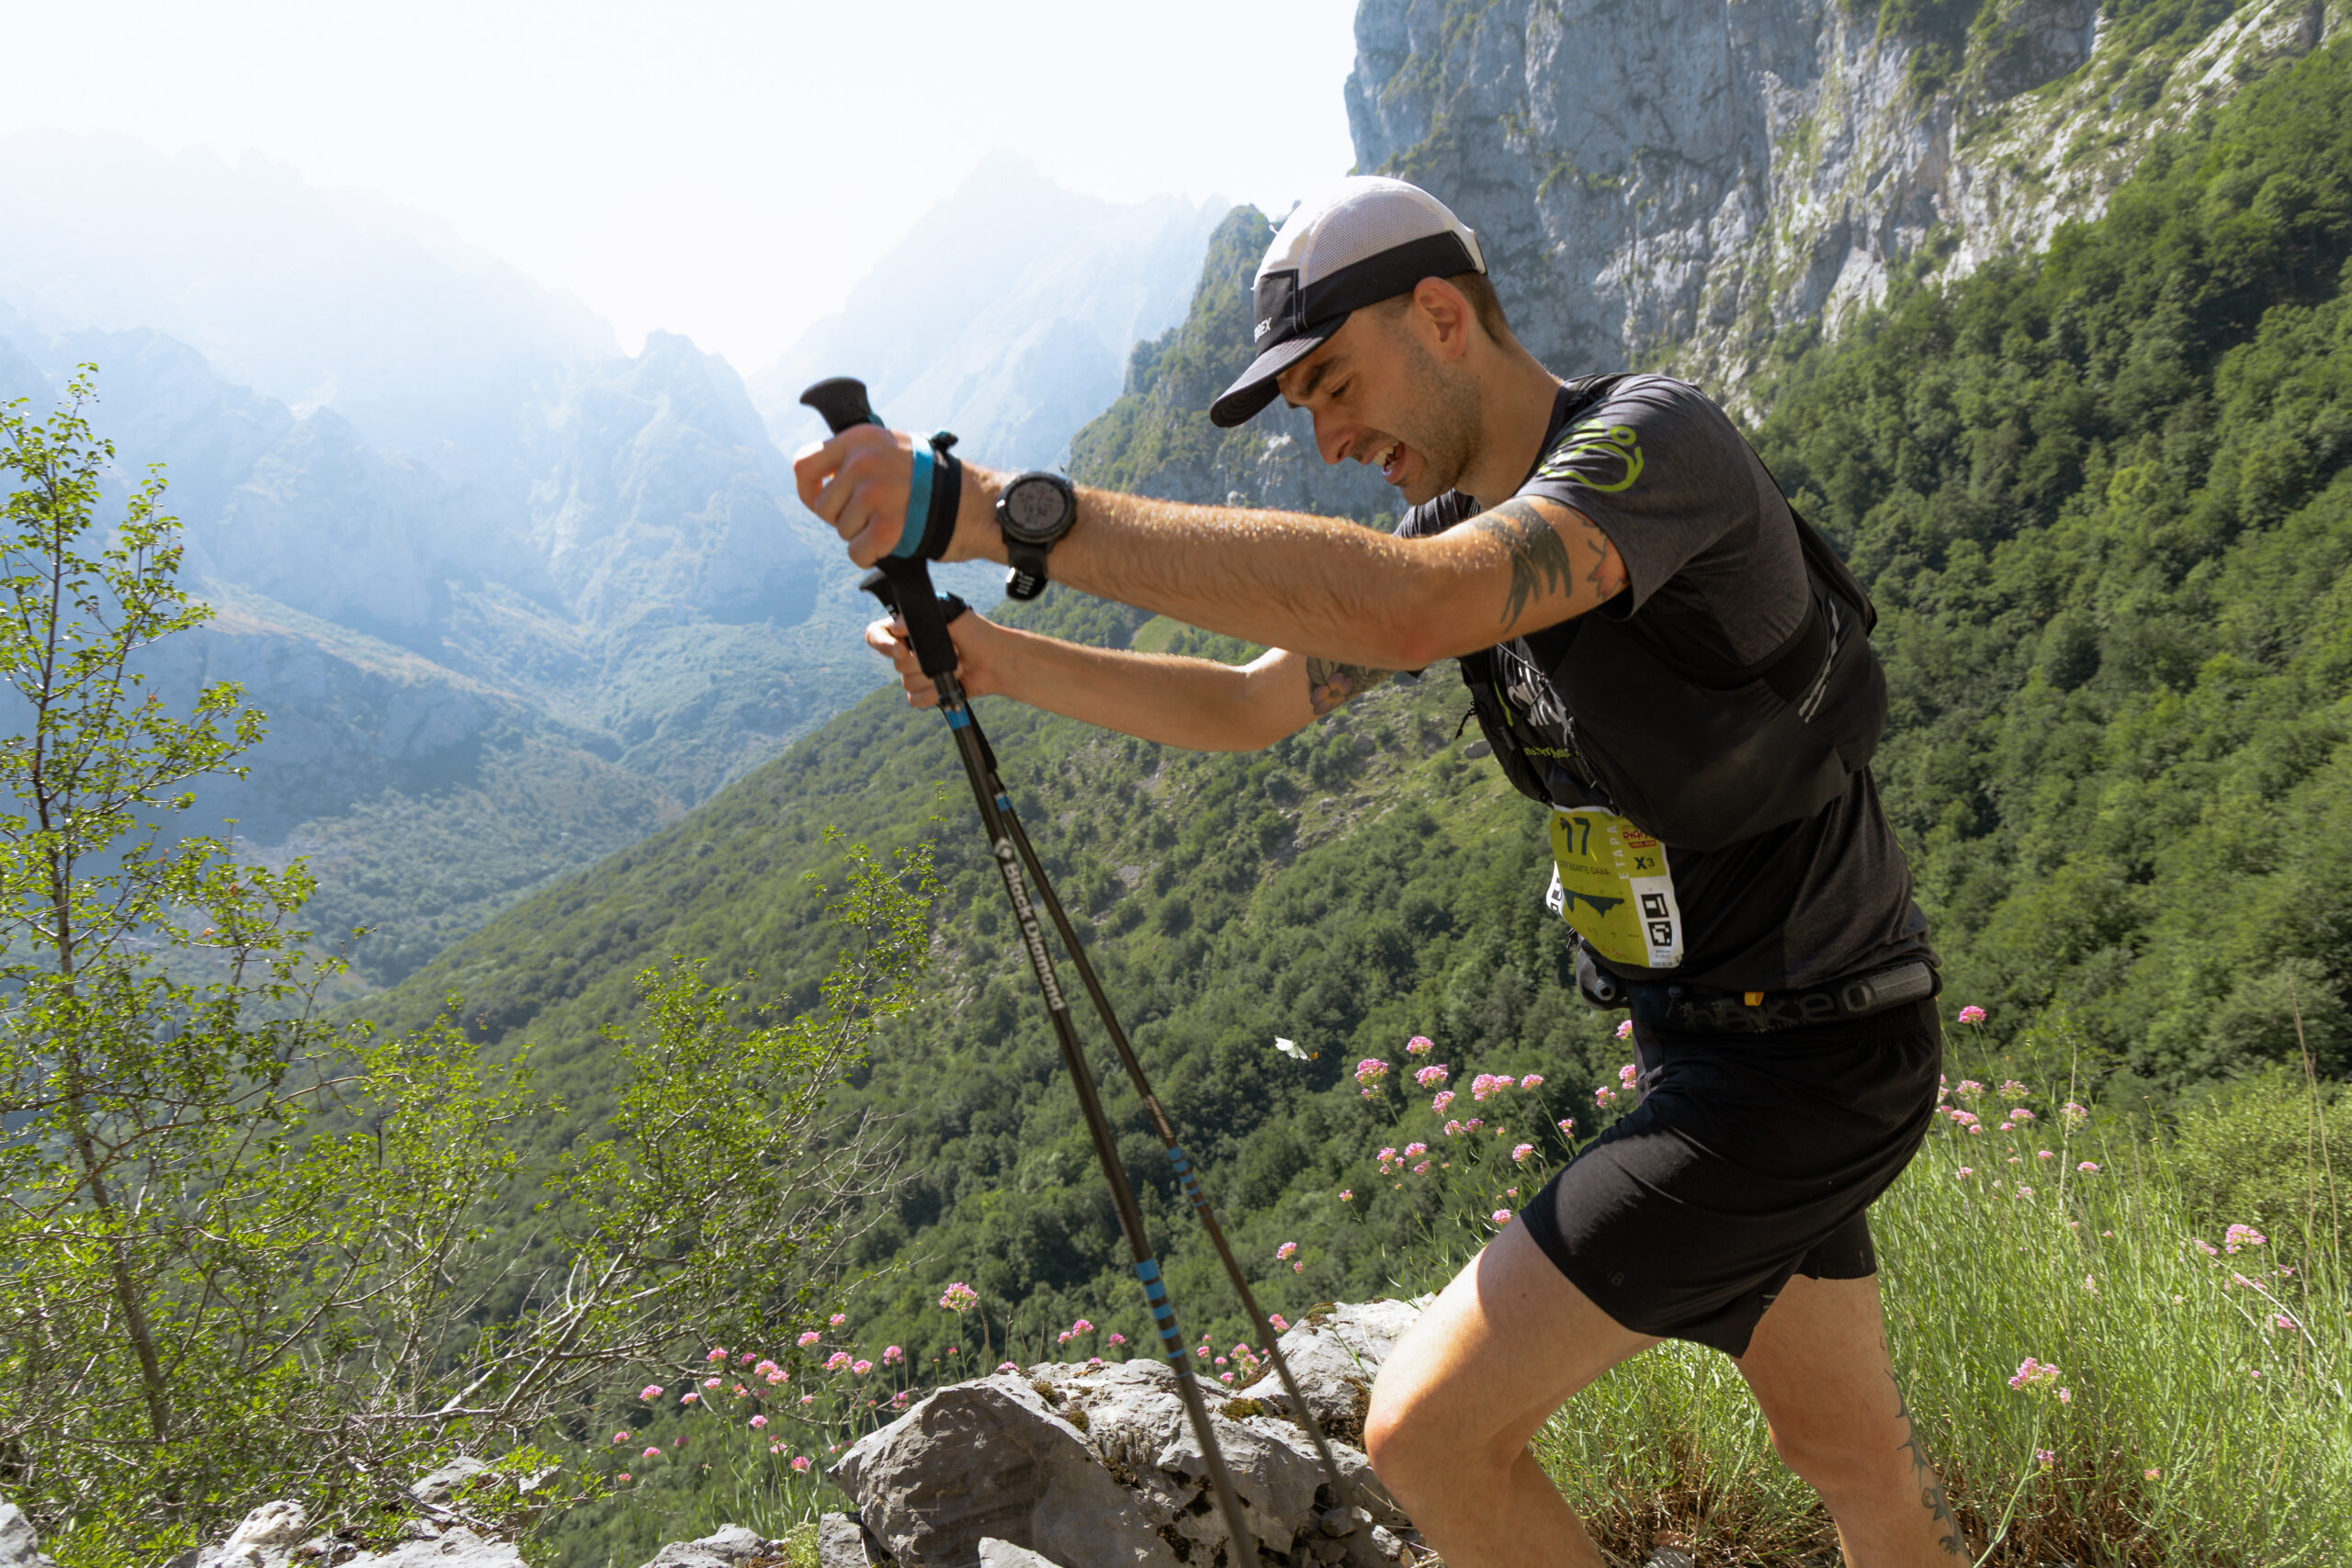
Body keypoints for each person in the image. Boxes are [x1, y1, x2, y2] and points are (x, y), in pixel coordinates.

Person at [795, 176, 1964, 1567]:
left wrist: (993, 512)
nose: (1332, 438)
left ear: (1441, 316)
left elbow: (1418, 609)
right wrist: (997, 661)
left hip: (1803, 1066)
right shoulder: (1457, 530)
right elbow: (1250, 705)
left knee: (1426, 1435)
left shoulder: (1653, 447)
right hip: (1732, 1048)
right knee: (1855, 1465)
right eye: (1307, 409)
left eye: (1336, 385)